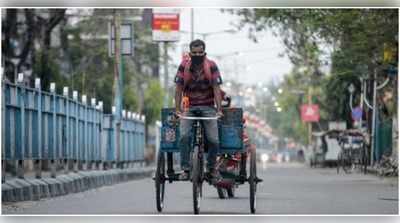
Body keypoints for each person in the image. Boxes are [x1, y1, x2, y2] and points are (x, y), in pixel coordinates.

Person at [174, 39, 223, 182]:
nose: (197, 55)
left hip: (208, 107)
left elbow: (216, 88)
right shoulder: (184, 66)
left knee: (214, 140)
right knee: (183, 136)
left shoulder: (212, 66)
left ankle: (212, 169)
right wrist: (178, 110)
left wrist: (219, 110)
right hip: (189, 108)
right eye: (194, 53)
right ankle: (185, 169)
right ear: (190, 53)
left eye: (200, 52)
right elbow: (178, 89)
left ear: (204, 52)